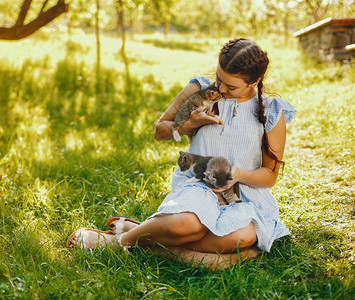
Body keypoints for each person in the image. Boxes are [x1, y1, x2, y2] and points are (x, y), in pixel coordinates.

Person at [66, 38, 297, 265]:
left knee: (241, 237)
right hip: (199, 185)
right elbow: (160, 131)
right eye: (219, 79)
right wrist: (191, 124)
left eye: (231, 86)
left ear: (255, 81)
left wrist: (238, 174)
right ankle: (117, 243)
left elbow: (270, 175)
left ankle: (148, 241)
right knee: (184, 225)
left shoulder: (271, 111)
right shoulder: (200, 90)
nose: (221, 89)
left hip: (244, 195)